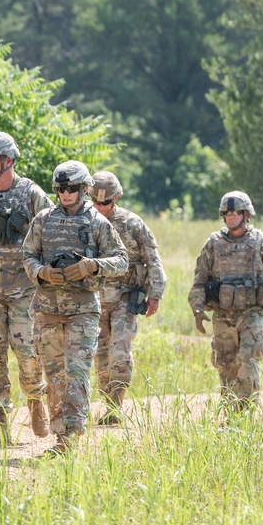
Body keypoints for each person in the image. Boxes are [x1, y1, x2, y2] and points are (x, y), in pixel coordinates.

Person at [22, 161, 127, 455]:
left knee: (77, 372)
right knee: (54, 375)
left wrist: (93, 265)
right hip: (47, 309)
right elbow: (28, 254)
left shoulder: (97, 223)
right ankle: (60, 434)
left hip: (82, 309)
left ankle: (73, 435)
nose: (65, 194)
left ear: (83, 189)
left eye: (71, 189)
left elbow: (121, 260)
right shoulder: (43, 220)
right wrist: (42, 272)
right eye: (60, 189)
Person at [0, 132, 52, 444]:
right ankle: (0, 420)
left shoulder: (31, 193)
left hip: (26, 290)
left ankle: (35, 401)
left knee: (28, 352)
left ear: (8, 161)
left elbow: (53, 228)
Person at [187, 191, 263, 410]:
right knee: (225, 364)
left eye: (236, 212)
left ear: (246, 215)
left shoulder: (262, 244)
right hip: (222, 315)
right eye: (227, 213)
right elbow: (200, 280)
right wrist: (197, 309)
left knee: (248, 359)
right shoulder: (213, 244)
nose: (231, 216)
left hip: (251, 313)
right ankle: (231, 412)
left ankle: (246, 413)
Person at [89, 171, 167, 425]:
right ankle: (107, 402)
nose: (100, 208)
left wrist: (155, 294)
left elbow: (152, 258)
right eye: (95, 202)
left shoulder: (132, 223)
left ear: (117, 198)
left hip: (125, 296)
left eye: (106, 203)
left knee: (120, 350)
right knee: (101, 356)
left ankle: (115, 406)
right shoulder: (83, 221)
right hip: (94, 299)